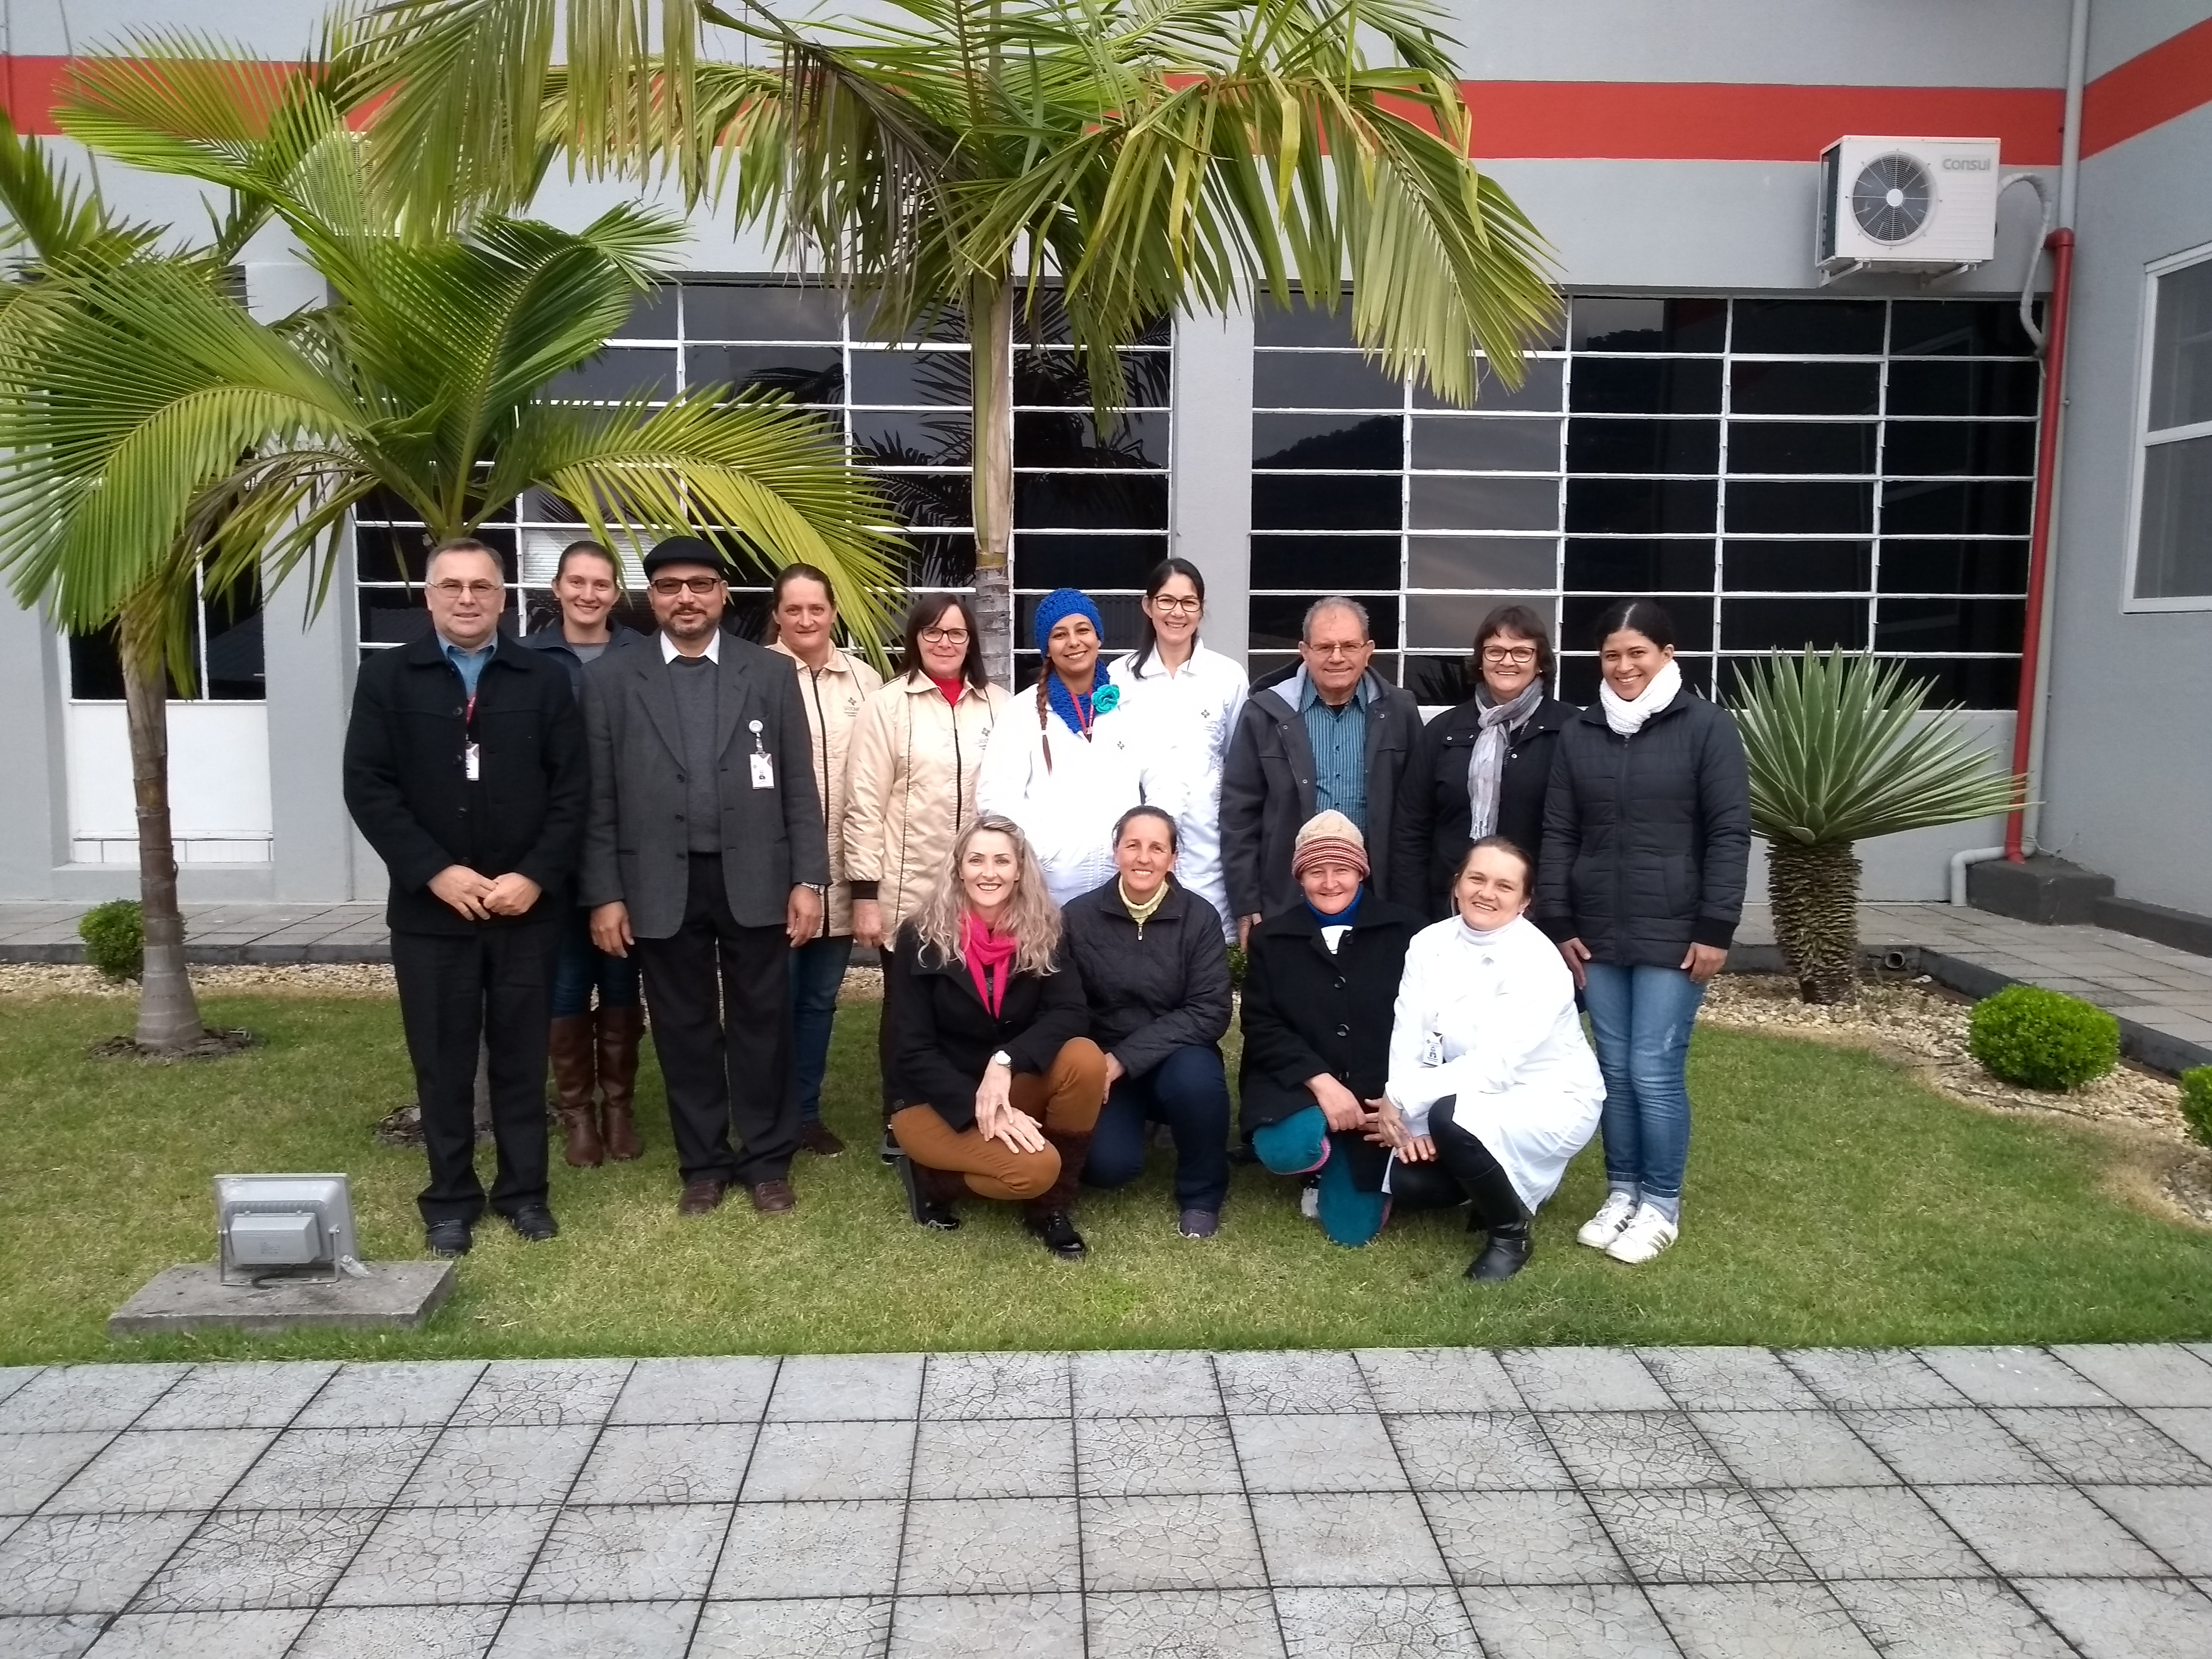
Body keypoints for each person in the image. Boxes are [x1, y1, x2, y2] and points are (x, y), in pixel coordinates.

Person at [342, 538, 586, 1257]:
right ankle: (449, 1199)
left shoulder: (544, 678)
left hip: (525, 910)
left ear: (503, 598)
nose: (467, 598)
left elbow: (573, 790)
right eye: (452, 586)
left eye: (482, 586)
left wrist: (534, 876)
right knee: (442, 1061)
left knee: (521, 1058)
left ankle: (524, 1193)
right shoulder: (388, 677)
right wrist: (435, 872)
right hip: (432, 914)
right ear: (429, 597)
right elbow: (368, 787)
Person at [580, 535, 829, 1218]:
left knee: (763, 1024)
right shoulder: (610, 681)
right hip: (659, 884)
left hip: (758, 877)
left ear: (722, 594)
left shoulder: (770, 673)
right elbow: (597, 799)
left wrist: (809, 879)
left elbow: (799, 787)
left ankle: (767, 1160)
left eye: (699, 584)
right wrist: (604, 894)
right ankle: (704, 1164)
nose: (685, 598)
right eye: (669, 586)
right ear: (651, 598)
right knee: (683, 1028)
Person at [1538, 599, 1750, 1266]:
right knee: (1612, 1070)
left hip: (1676, 932)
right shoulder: (1581, 731)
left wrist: (1716, 927)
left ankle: (1661, 1204)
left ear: (1668, 655)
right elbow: (1559, 831)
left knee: (1653, 1068)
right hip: (1596, 930)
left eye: (1638, 653)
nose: (1624, 666)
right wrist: (1559, 920)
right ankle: (1622, 1192)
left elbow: (1729, 833)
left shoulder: (1707, 728)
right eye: (1612, 654)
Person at [1379, 838, 1605, 1282]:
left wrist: (1402, 1096)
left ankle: (1509, 1236)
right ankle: (1493, 1189)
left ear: (1525, 901)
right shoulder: (1428, 942)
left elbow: (1495, 1067)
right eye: (1477, 879)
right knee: (1412, 1182)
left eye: (1505, 886)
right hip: (1467, 1092)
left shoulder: (1538, 962)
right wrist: (1411, 1127)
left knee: (1451, 1118)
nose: (1486, 893)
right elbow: (1409, 1033)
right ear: (1457, 884)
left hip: (1551, 1097)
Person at [883, 815, 1106, 1260]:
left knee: (1085, 1058)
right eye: (977, 860)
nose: (990, 873)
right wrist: (981, 1109)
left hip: (1006, 1082)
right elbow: (909, 1048)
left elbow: (1070, 1012)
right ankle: (931, 1179)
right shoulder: (919, 936)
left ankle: (1051, 1208)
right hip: (933, 1101)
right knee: (1036, 1169)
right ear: (958, 868)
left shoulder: (1045, 928)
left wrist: (1006, 1061)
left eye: (1002, 861)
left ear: (1020, 870)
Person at [844, 594, 1011, 1156]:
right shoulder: (887, 706)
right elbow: (865, 803)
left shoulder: (998, 706)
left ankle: (973, 1104)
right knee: (907, 1011)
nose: (945, 643)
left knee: (975, 1006)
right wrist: (865, 894)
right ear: (915, 638)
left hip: (983, 891)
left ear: (972, 642)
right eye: (933, 632)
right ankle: (902, 1114)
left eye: (957, 633)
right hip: (908, 888)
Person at [1236, 811, 1427, 1247]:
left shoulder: (1408, 930)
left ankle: (1347, 1159)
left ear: (1361, 871)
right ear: (1299, 876)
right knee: (1287, 1149)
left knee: (1351, 1231)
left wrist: (1402, 1099)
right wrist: (1322, 1084)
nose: (1329, 883)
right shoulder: (1271, 938)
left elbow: (1425, 1021)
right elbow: (1261, 1025)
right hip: (1298, 1082)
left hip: (1378, 1092)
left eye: (1341, 869)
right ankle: (1316, 1160)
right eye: (1315, 871)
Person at [522, 539, 647, 1168]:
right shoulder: (527, 658)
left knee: (621, 979)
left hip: (628, 848)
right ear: (558, 588)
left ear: (616, 594)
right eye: (578, 582)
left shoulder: (642, 654)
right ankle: (577, 1114)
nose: (589, 594)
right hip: (554, 852)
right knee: (568, 980)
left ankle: (619, 1107)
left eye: (601, 584)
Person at [1064, 805, 1235, 1238]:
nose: (1144, 858)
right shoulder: (1078, 917)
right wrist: (1092, 1064)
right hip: (1105, 1063)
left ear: (1173, 859)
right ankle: (1138, 1123)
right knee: (1106, 1168)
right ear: (1116, 852)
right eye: (1133, 845)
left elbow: (1210, 1009)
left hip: (1178, 1055)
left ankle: (1201, 1195)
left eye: (1157, 848)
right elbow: (1066, 1005)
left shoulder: (1200, 918)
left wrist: (1125, 1058)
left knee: (1199, 1085)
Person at [767, 562, 884, 1158]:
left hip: (843, 871)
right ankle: (768, 1115)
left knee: (817, 1002)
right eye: (794, 609)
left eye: (817, 608)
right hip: (777, 878)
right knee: (773, 1002)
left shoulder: (866, 682)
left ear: (833, 612)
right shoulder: (754, 674)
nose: (806, 620)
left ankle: (806, 1114)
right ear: (777, 615)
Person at [1221, 596, 1418, 948]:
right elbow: (1239, 816)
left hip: (1379, 895)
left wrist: (1412, 899)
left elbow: (1417, 814)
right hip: (1289, 895)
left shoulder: (1400, 711)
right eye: (1325, 647)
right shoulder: (1265, 713)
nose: (1337, 657)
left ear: (1369, 650)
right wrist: (1246, 901)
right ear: (1305, 651)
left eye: (1350, 646)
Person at [1390, 603, 1573, 920]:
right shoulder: (1443, 731)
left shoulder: (1569, 730)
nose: (1507, 661)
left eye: (1522, 652)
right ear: (1481, 660)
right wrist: (1413, 917)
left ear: (1540, 662)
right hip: (1448, 911)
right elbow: (1411, 830)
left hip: (1537, 915)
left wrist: (1561, 917)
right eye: (1495, 651)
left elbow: (1577, 831)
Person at [978, 587, 1148, 908]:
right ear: (1047, 648)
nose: (1073, 642)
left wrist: (1145, 846)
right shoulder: (1021, 713)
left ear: (1098, 637)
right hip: (1048, 891)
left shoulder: (1130, 706)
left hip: (1122, 888)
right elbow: (996, 799)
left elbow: (1161, 782)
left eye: (1083, 630)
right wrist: (1045, 852)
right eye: (1059, 635)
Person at [1108, 559, 1247, 940]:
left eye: (1189, 602)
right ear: (1148, 605)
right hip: (1140, 854)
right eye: (1167, 601)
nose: (1177, 613)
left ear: (1201, 610)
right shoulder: (1118, 678)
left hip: (1209, 853)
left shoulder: (1228, 677)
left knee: (1208, 948)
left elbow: (1239, 766)